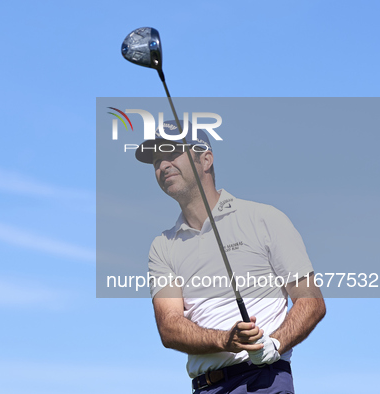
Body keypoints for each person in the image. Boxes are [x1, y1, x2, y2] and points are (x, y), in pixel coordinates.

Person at [135, 120, 326, 393]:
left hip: (264, 382)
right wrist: (225, 340)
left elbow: (312, 302)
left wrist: (275, 344)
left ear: (206, 159)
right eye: (156, 160)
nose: (162, 165)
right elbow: (170, 327)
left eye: (172, 153)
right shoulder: (163, 245)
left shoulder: (264, 219)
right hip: (206, 388)